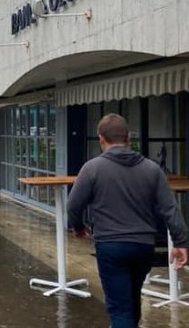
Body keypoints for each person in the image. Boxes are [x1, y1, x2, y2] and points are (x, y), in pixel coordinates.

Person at [67, 113, 188, 328]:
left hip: (110, 246)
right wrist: (180, 242)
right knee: (132, 301)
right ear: (128, 138)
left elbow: (73, 205)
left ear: (101, 138)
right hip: (143, 246)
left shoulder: (92, 168)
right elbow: (170, 208)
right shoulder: (152, 169)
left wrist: (78, 227)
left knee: (120, 308)